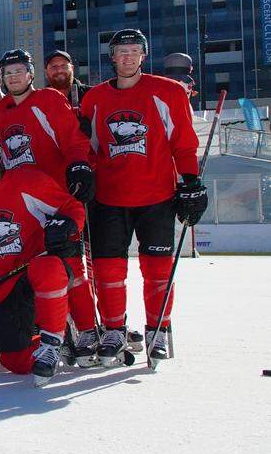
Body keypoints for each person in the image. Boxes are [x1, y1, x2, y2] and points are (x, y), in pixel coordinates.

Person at [80, 28, 205, 364]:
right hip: (107, 199)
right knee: (107, 272)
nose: (127, 57)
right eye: (121, 51)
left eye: (134, 51)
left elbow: (183, 141)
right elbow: (86, 149)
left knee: (158, 270)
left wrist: (191, 181)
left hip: (157, 197)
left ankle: (157, 330)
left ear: (144, 55)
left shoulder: (168, 92)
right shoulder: (93, 99)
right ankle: (113, 330)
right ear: (112, 57)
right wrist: (82, 175)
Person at [0, 132, 86, 386]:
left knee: (49, 266)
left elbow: (71, 207)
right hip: (2, 286)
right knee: (15, 363)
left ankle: (52, 341)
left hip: (33, 273)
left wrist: (67, 226)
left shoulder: (29, 182)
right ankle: (51, 339)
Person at [0, 48, 100, 365]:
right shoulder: (1, 112)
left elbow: (73, 139)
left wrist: (79, 166)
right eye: (8, 73)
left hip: (57, 199)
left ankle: (87, 332)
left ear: (30, 74)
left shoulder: (49, 100)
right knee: (42, 271)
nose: (13, 77)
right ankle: (59, 331)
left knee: (71, 268)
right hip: (26, 207)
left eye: (19, 71)